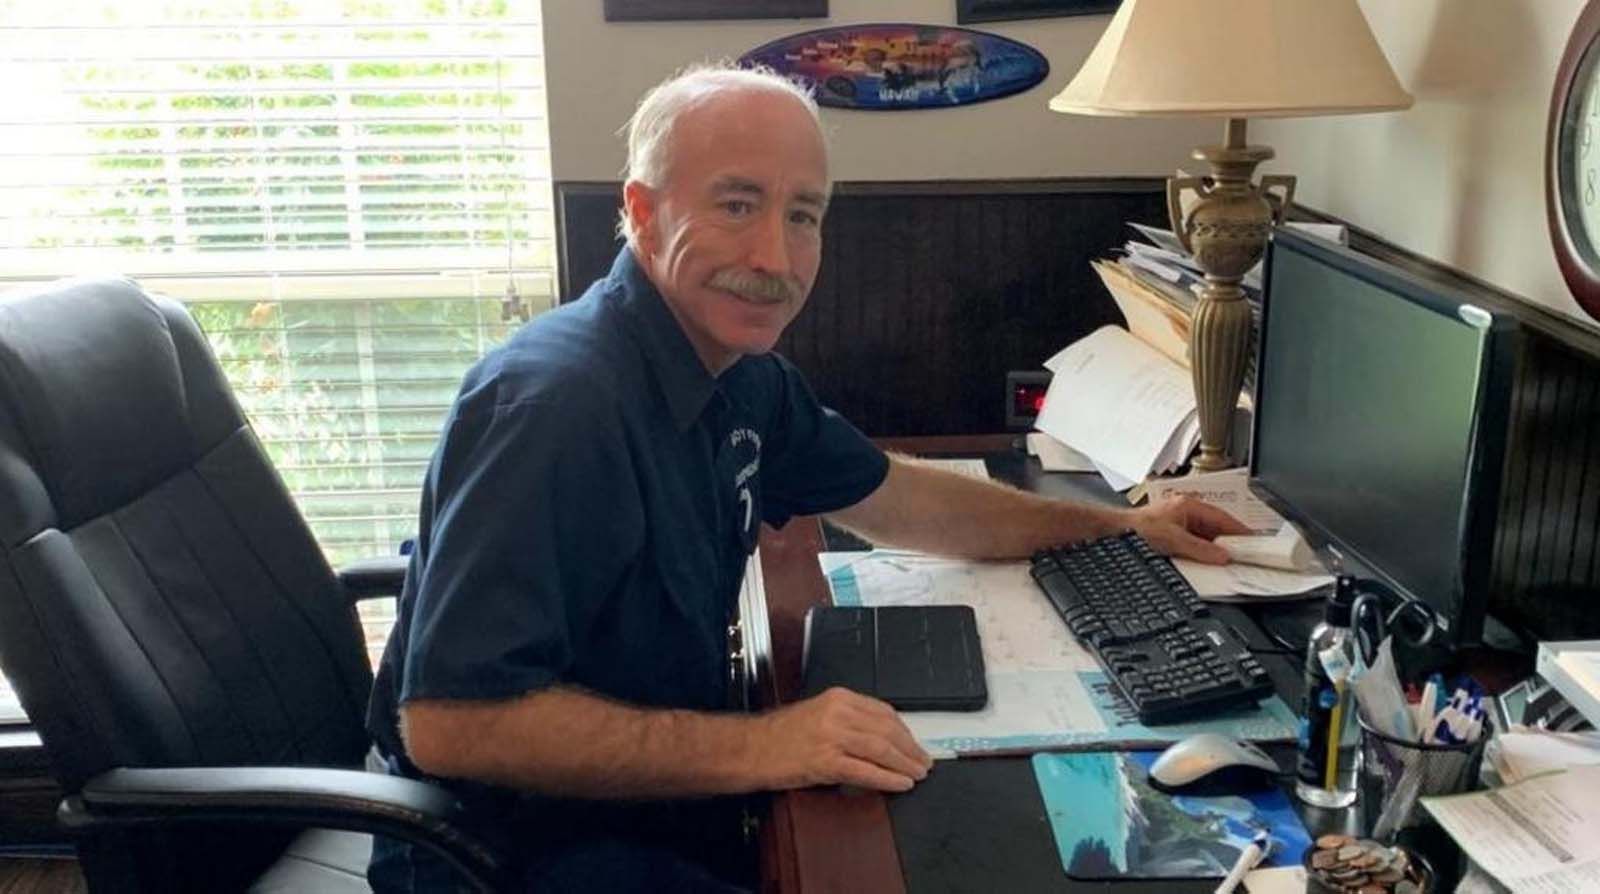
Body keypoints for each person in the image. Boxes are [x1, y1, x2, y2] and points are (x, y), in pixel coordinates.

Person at [365, 63, 1248, 893]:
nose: (778, 259)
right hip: (510, 852)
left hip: (644, 805)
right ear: (640, 211)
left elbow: (899, 500)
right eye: (737, 204)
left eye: (803, 215)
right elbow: (453, 724)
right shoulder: (553, 407)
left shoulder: (736, 368)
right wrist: (766, 746)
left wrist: (1120, 527)